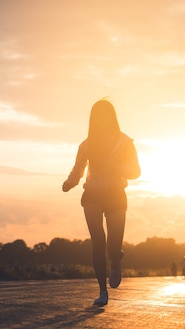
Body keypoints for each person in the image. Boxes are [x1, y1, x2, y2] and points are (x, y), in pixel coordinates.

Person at [62, 99, 140, 306]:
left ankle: (115, 260)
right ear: (92, 119)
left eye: (105, 114)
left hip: (116, 195)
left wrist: (114, 166)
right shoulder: (86, 145)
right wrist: (70, 182)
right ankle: (102, 291)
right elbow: (78, 170)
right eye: (97, 115)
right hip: (93, 195)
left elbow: (136, 172)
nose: (101, 119)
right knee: (97, 240)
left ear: (112, 117)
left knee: (113, 245)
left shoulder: (125, 142)